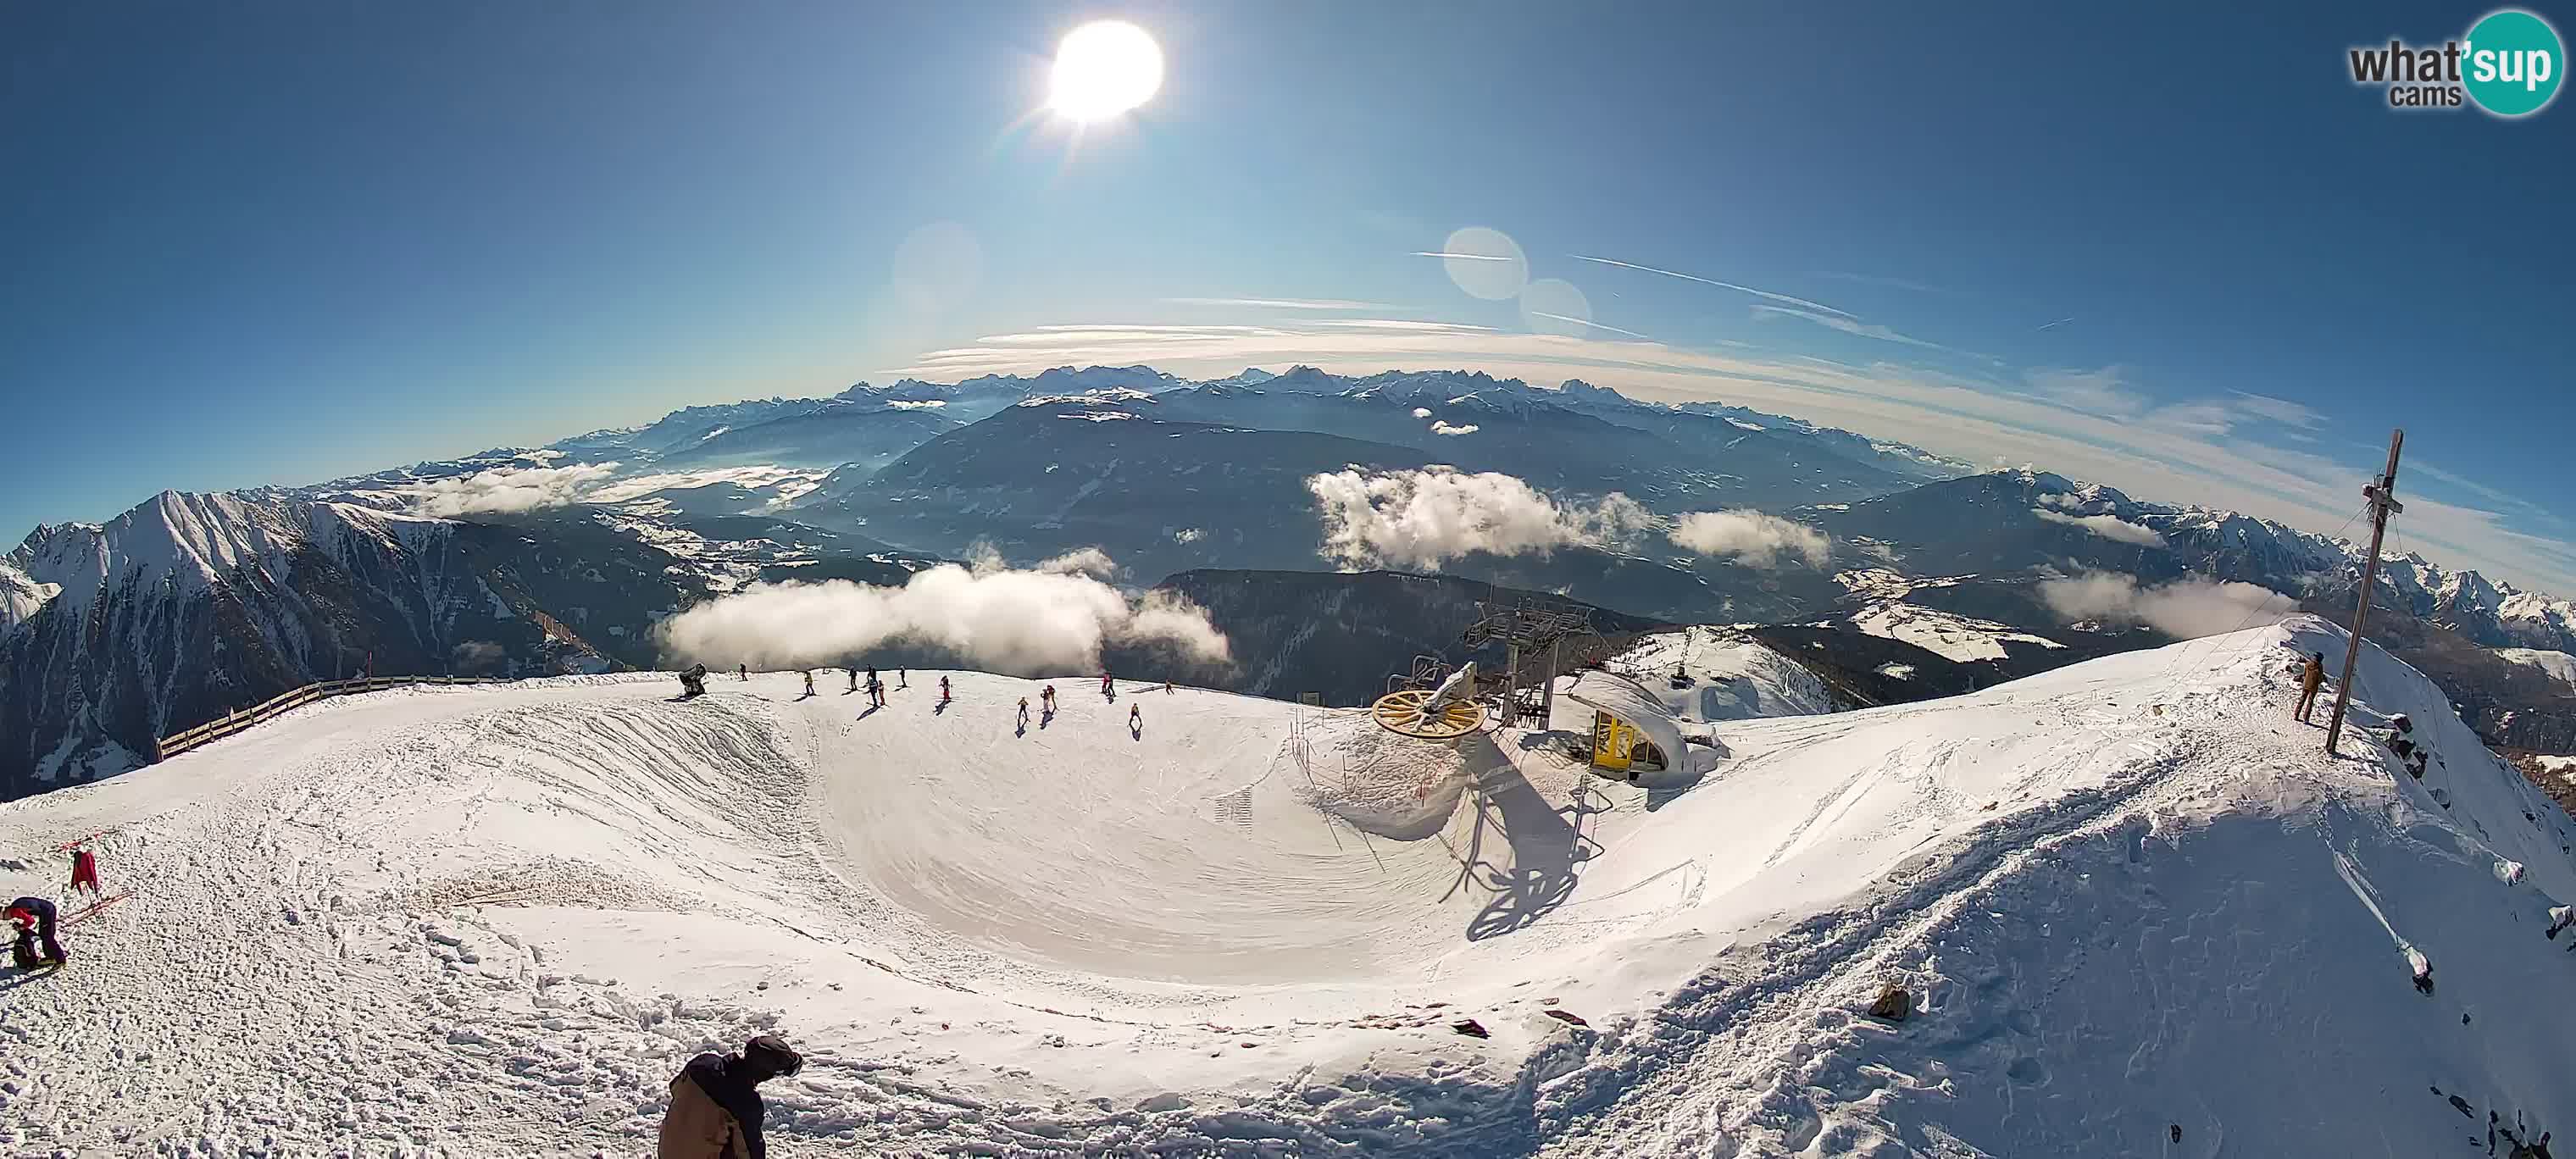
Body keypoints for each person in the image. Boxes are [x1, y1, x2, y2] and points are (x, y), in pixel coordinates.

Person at [656, 1034, 802, 1159]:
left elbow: (675, 1088)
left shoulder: (701, 1063)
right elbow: (751, 1153)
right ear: (766, 1074)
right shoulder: (747, 1103)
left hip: (666, 1150)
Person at [6, 896, 64, 968]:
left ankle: (60, 960)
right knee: (44, 934)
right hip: (46, 910)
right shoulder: (15, 905)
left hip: (48, 911)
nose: (6, 919)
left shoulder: (15, 911)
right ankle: (50, 957)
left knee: (47, 936)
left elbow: (31, 921)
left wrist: (22, 927)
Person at [2296, 652, 2325, 722]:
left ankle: (2296, 715)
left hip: (2306, 684)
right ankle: (2306, 718)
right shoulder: (2319, 667)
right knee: (2310, 702)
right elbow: (2320, 679)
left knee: (2302, 699)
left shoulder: (2307, 664)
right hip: (2313, 687)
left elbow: (2304, 674)